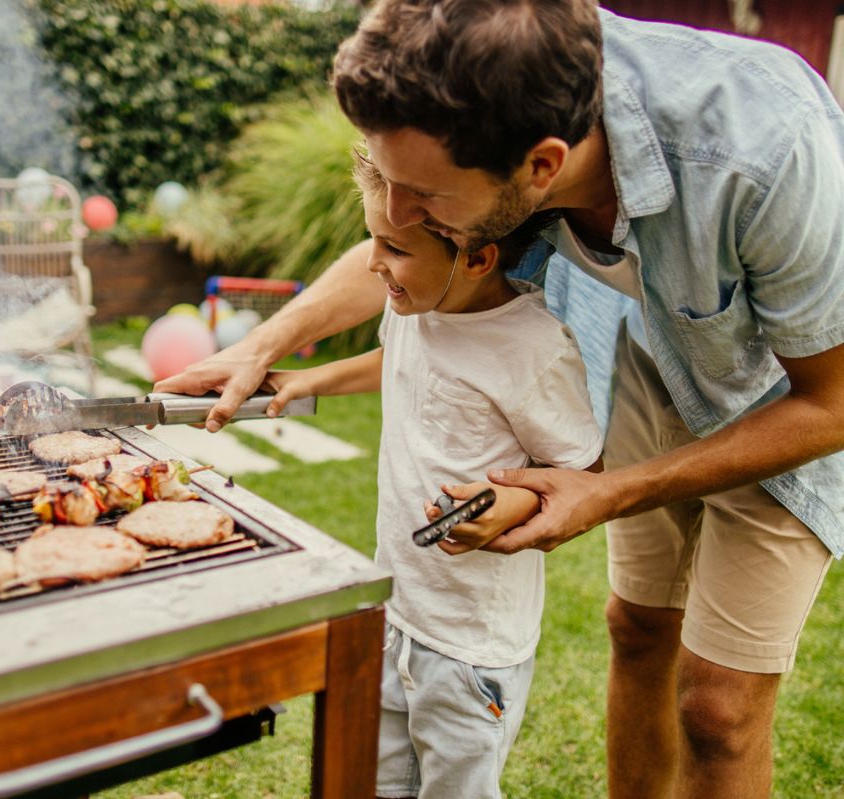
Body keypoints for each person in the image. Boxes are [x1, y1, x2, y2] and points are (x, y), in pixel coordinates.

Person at [154, 2, 844, 797]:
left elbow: (829, 401)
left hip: (783, 395)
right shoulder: (504, 100)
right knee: (638, 627)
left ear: (542, 168)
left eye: (425, 197)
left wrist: (611, 488)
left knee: (718, 709)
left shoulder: (762, 150)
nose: (399, 215)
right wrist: (257, 347)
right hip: (650, 352)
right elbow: (402, 240)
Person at [264, 152, 602, 798]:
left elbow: (583, 472)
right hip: (396, 606)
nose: (373, 263)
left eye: (393, 247)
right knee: (377, 779)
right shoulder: (417, 301)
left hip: (469, 644)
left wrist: (508, 503)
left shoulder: (532, 348)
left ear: (476, 258)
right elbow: (397, 358)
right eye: (375, 240)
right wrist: (312, 378)